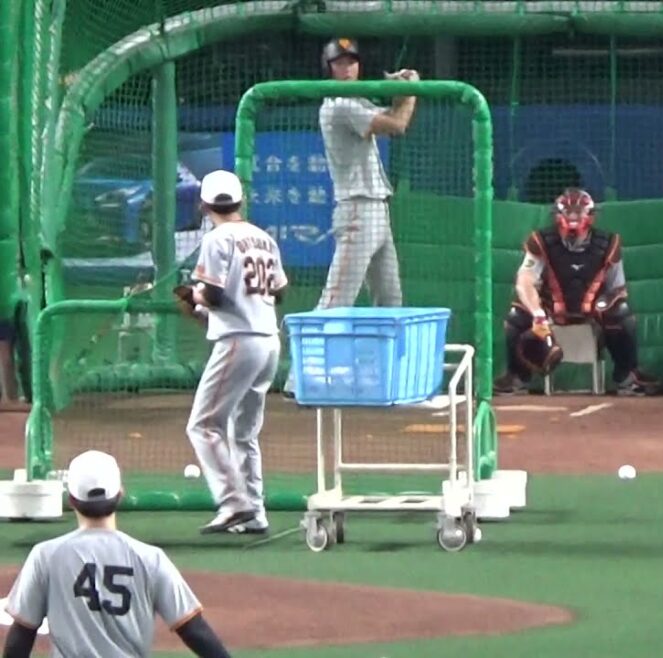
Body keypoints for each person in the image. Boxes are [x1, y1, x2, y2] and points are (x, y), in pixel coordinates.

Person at [283, 37, 419, 399]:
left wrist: (400, 87)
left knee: (390, 299)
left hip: (377, 209)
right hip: (358, 210)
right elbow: (397, 124)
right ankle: (298, 379)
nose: (346, 69)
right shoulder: (339, 104)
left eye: (351, 62)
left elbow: (389, 114)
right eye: (339, 63)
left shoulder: (355, 99)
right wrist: (412, 92)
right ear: (328, 68)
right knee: (336, 300)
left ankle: (380, 375)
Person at [2, 450, 233, 657]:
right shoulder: (151, 558)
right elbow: (195, 631)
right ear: (120, 494)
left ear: (71, 500)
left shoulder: (46, 556)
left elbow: (21, 635)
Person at [175, 170, 287, 535]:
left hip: (240, 341)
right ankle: (255, 512)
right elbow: (279, 292)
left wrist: (192, 295)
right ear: (241, 201)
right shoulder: (264, 238)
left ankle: (234, 502)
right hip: (268, 340)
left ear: (203, 205)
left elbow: (214, 295)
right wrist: (204, 307)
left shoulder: (216, 237)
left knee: (203, 425)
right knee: (243, 433)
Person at [492, 188, 660, 396]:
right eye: (568, 212)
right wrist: (538, 314)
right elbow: (525, 280)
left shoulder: (608, 244)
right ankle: (517, 377)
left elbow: (617, 289)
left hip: (592, 312)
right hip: (551, 311)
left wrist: (603, 305)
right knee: (516, 315)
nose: (572, 217)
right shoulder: (541, 241)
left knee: (622, 314)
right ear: (557, 215)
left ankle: (627, 376)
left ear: (590, 216)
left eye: (578, 212)